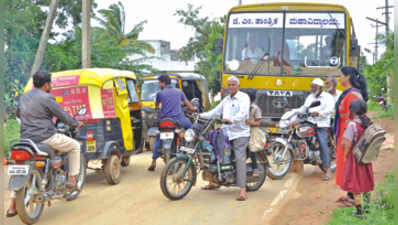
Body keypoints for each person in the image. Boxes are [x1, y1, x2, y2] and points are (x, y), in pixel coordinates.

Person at [7, 71, 84, 218]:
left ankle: (12, 206)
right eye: (51, 83)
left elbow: (18, 114)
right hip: (45, 137)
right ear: (46, 84)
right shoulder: (47, 97)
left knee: (21, 168)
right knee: (75, 146)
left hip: (25, 140)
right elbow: (61, 114)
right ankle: (72, 180)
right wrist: (75, 124)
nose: (51, 86)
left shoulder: (24, 97)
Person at [200, 76, 250, 201]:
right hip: (226, 132)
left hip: (240, 133)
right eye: (229, 85)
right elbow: (214, 112)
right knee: (213, 152)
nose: (231, 87)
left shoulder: (244, 97)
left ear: (238, 86)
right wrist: (199, 115)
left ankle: (243, 190)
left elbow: (243, 113)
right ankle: (213, 181)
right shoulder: (226, 100)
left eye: (234, 85)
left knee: (239, 158)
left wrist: (231, 120)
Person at [334, 66, 368, 206]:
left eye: (341, 75)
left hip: (349, 137)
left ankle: (356, 201)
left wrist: (347, 141)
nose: (339, 78)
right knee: (349, 166)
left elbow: (353, 120)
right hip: (345, 133)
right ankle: (351, 196)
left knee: (350, 165)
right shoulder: (349, 93)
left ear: (348, 77)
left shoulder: (352, 95)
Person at [147, 74, 197, 171]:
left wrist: (159, 108)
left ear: (163, 83)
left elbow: (157, 106)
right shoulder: (179, 92)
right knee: (191, 128)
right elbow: (188, 104)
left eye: (159, 83)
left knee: (159, 137)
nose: (159, 84)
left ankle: (153, 161)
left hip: (165, 121)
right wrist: (193, 108)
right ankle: (190, 147)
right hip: (179, 120)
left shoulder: (159, 93)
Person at [340, 99, 374, 216]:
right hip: (366, 157)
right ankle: (368, 208)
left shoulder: (352, 124)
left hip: (355, 158)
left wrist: (345, 156)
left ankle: (359, 211)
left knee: (355, 185)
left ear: (353, 110)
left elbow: (348, 143)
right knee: (366, 184)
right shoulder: (368, 122)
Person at [299, 78, 334, 180]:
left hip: (322, 123)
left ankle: (327, 170)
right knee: (297, 133)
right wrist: (294, 111)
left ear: (321, 88)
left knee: (323, 143)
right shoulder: (310, 97)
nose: (312, 89)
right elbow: (304, 108)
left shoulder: (328, 97)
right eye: (311, 86)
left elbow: (330, 109)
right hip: (310, 121)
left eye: (314, 87)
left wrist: (319, 113)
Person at [245, 89, 262, 176]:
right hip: (242, 130)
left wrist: (250, 123)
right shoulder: (242, 107)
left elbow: (258, 122)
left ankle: (255, 168)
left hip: (252, 131)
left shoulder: (255, 108)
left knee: (252, 148)